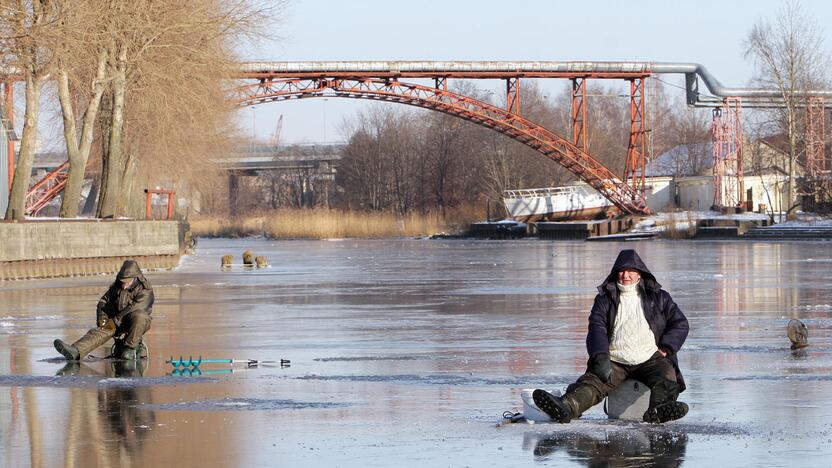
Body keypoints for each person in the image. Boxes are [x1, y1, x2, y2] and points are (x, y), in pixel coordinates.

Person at [533, 249, 689, 424]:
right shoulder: (604, 299)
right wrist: (600, 356)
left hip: (650, 357)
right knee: (594, 382)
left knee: (666, 376)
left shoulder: (659, 297)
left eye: (631, 271)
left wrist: (666, 348)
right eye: (621, 271)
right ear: (615, 274)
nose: (625, 275)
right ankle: (567, 406)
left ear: (640, 274)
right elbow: (596, 328)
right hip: (616, 358)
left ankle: (659, 410)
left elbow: (680, 323)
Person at [54, 260, 154, 361]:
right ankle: (76, 351)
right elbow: (103, 302)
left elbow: (134, 308)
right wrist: (102, 319)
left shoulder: (145, 289)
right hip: (116, 321)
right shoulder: (116, 286)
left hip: (135, 323)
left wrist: (114, 321)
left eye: (127, 282)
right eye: (122, 282)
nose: (124, 285)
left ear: (135, 278)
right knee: (99, 332)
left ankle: (129, 348)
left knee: (140, 316)